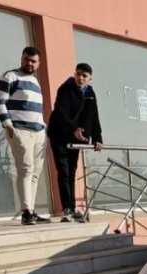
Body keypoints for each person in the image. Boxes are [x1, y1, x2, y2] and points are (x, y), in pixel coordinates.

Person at [0, 46, 50, 226]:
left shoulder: (35, 82)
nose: (29, 63)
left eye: (33, 61)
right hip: (19, 130)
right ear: (21, 58)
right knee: (25, 170)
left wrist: (43, 129)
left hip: (38, 132)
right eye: (26, 59)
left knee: (35, 173)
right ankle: (26, 213)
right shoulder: (10, 76)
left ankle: (31, 209)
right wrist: (8, 125)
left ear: (38, 64)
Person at [47, 63, 103, 223]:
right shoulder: (65, 88)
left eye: (84, 76)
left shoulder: (90, 93)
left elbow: (94, 116)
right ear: (75, 74)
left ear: (90, 79)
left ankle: (72, 208)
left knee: (71, 171)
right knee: (63, 171)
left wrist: (97, 138)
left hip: (74, 137)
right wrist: (74, 129)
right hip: (59, 135)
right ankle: (67, 209)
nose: (80, 78)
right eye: (78, 74)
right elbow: (60, 112)